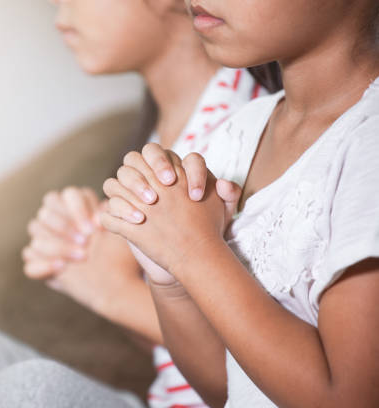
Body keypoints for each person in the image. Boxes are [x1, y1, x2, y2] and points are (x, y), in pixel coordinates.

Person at [0, 0, 280, 407]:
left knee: (28, 392)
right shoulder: (160, 137)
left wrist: (109, 288)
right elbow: (171, 348)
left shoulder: (245, 132)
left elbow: (249, 359)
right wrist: (87, 259)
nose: (60, 16)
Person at [100, 0, 379, 407]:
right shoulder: (242, 131)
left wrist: (194, 250)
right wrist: (169, 276)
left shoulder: (368, 146)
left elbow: (347, 398)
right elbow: (223, 388)